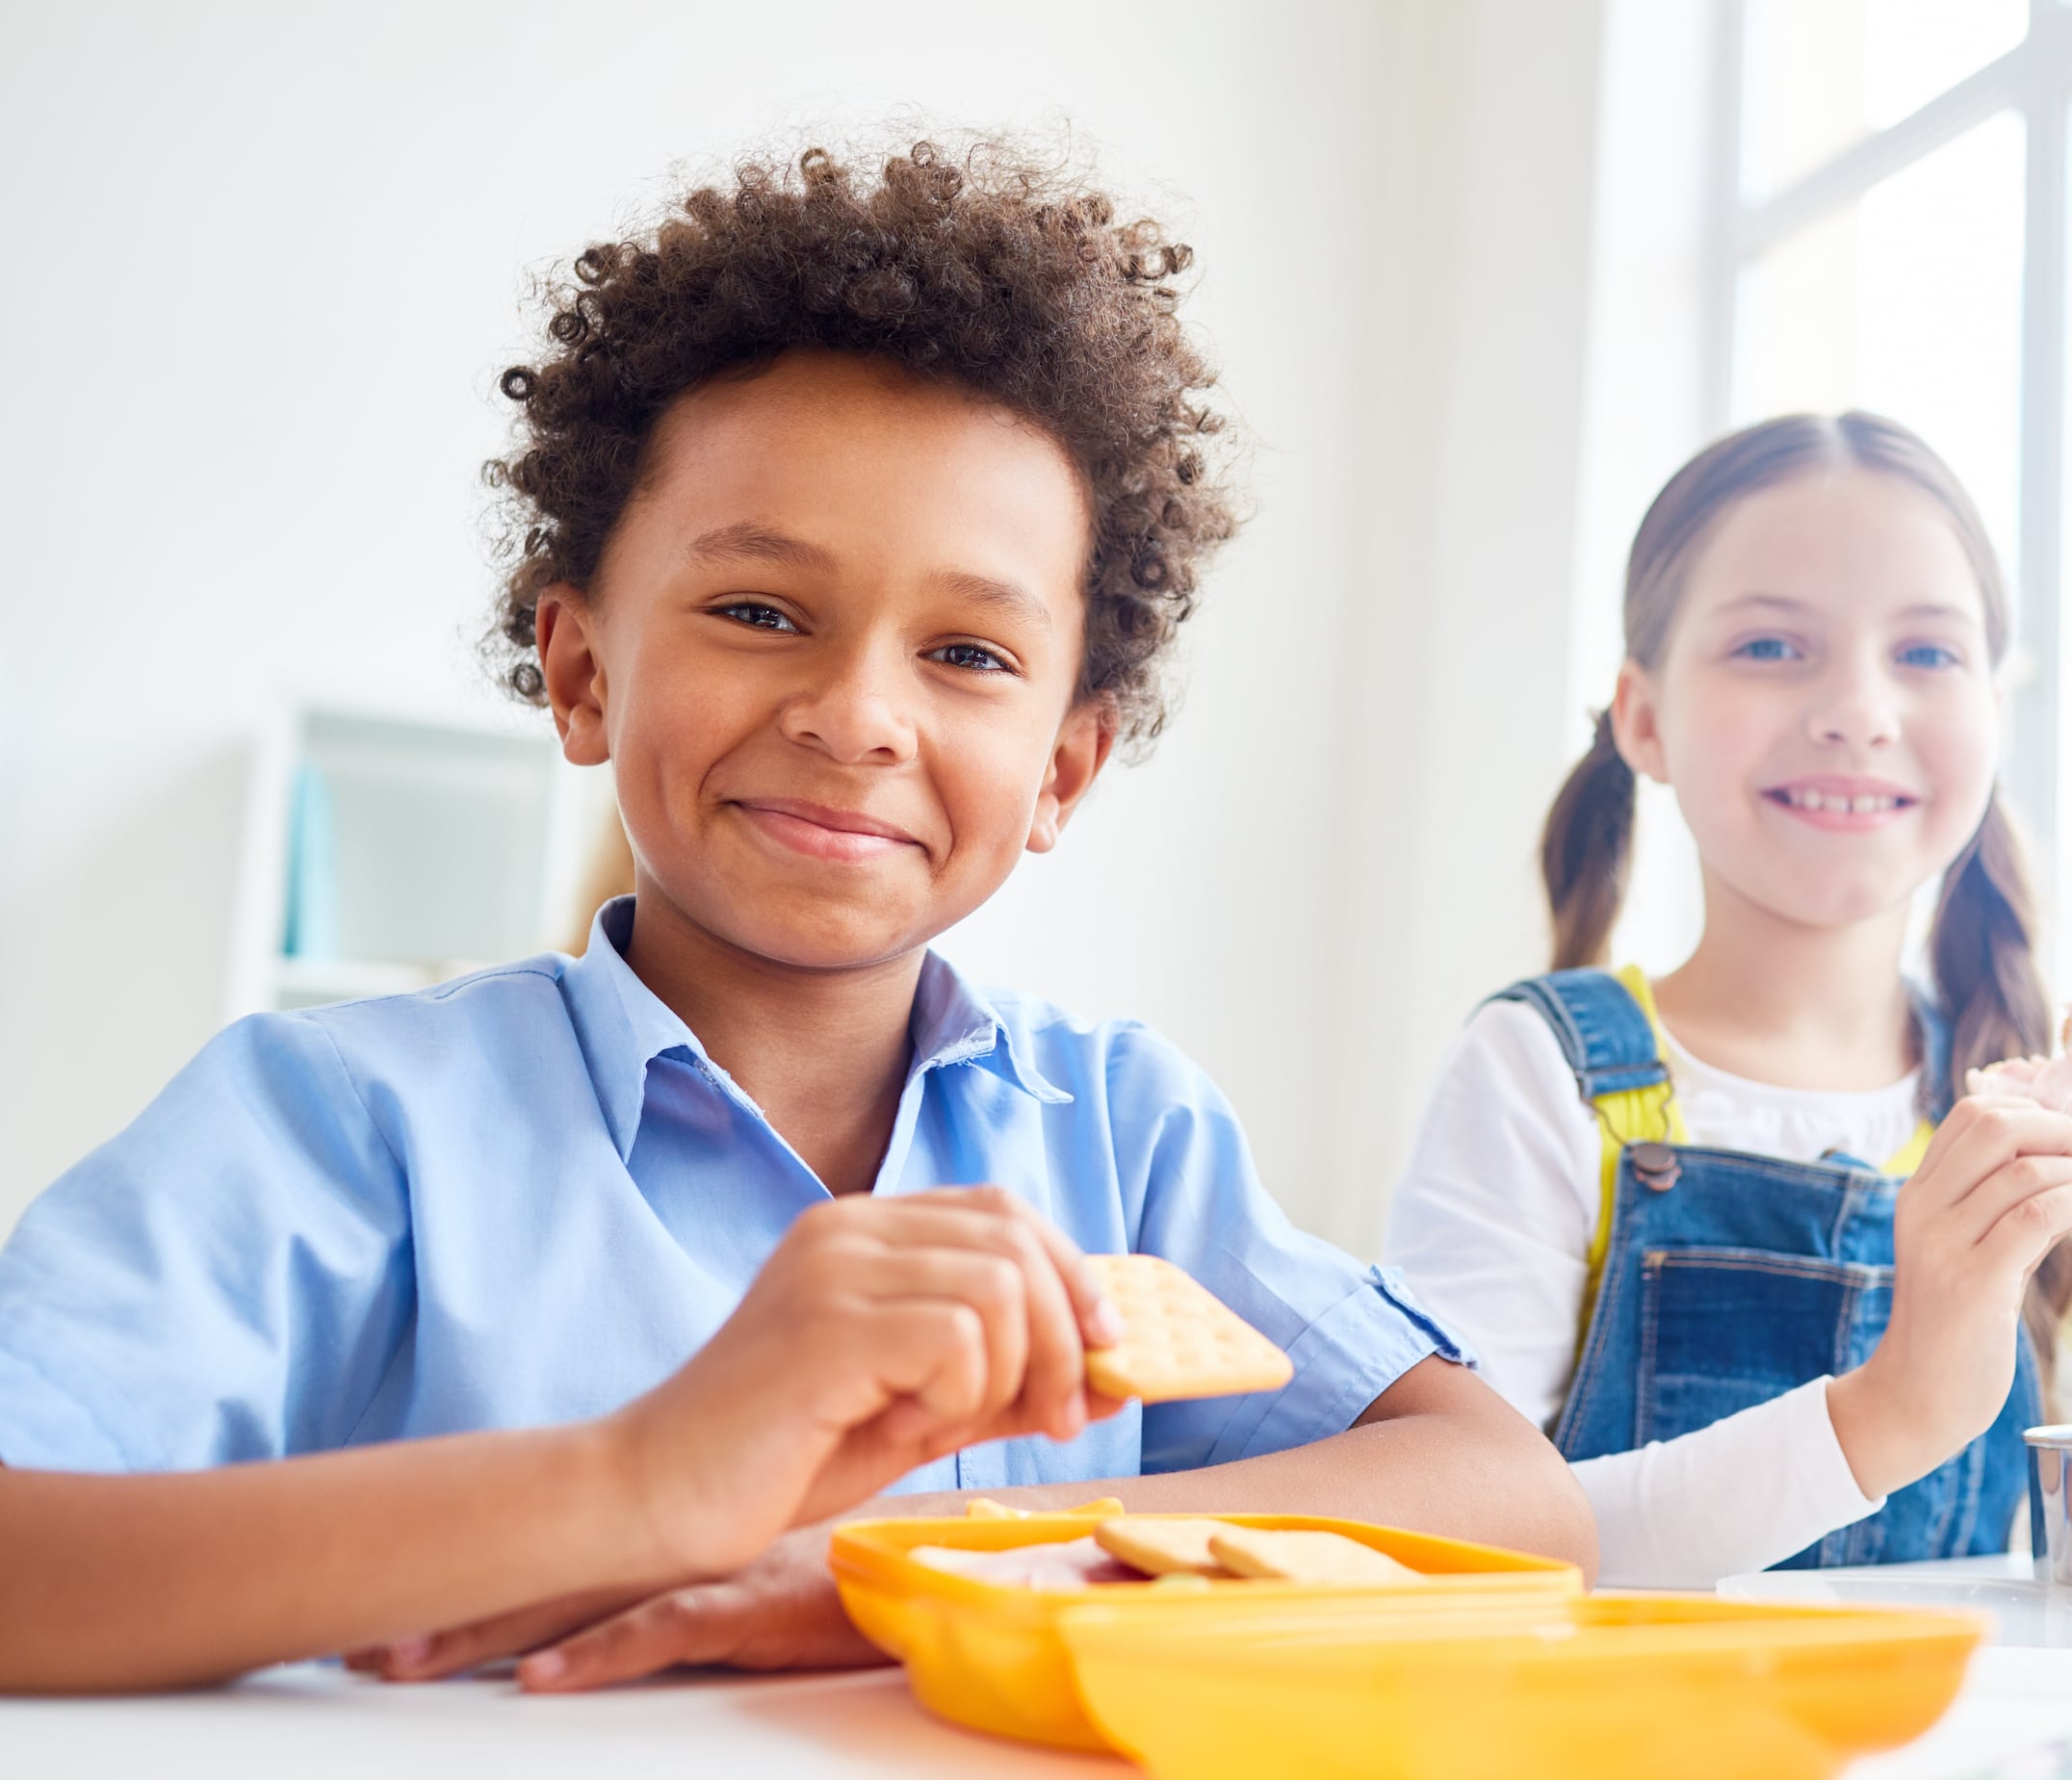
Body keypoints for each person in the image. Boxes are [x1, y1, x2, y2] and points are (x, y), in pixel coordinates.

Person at [0, 140, 1592, 1693]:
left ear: (1065, 767)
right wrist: (644, 1480)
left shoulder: (1125, 1136)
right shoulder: (340, 1125)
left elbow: (1511, 1497)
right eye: (760, 613)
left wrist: (902, 1569)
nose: (857, 717)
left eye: (968, 653)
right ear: (581, 671)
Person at [1386, 411, 2072, 1588]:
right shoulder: (1541, 1071)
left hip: (1926, 1765)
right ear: (1641, 716)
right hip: (1601, 1768)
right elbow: (1453, 1538)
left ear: (1993, 717)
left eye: (1926, 654)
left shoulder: (2042, 1122)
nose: (1858, 707)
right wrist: (1888, 1411)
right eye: (1768, 647)